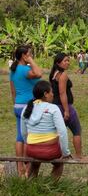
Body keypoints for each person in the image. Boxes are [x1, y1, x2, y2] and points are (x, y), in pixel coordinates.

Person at [21, 80, 71, 179]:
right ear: (45, 94)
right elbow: (62, 132)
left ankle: (32, 186)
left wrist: (30, 146)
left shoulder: (26, 109)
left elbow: (23, 133)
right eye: (51, 92)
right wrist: (66, 152)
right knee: (59, 164)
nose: (53, 94)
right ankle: (51, 187)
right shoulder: (53, 108)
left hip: (31, 150)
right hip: (51, 150)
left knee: (35, 163)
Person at [9, 45, 42, 176]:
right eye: (29, 54)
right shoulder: (24, 69)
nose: (31, 56)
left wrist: (15, 104)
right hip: (28, 107)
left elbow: (13, 91)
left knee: (19, 137)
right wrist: (31, 61)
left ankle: (19, 167)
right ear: (24, 56)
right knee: (29, 137)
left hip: (18, 105)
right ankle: (28, 167)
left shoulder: (14, 70)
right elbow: (39, 73)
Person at [50, 53, 83, 158]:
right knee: (76, 130)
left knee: (59, 132)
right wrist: (66, 110)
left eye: (68, 60)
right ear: (58, 63)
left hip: (55, 106)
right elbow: (62, 93)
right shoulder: (63, 75)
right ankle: (79, 156)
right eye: (65, 61)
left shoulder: (54, 74)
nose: (68, 63)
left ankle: (59, 154)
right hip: (64, 106)